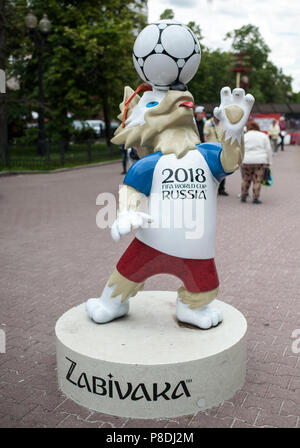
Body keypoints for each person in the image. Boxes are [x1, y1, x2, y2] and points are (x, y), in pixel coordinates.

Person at [241, 121, 272, 204]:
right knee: (257, 180)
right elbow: (268, 150)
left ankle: (243, 196)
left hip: (246, 161)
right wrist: (269, 162)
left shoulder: (244, 136)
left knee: (246, 179)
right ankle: (255, 198)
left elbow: (240, 149)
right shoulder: (263, 136)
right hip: (260, 161)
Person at [204, 115, 228, 196]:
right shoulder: (208, 123)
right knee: (211, 169)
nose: (218, 119)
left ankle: (221, 189)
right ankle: (211, 189)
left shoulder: (223, 123)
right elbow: (205, 137)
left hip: (221, 148)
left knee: (223, 168)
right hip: (211, 149)